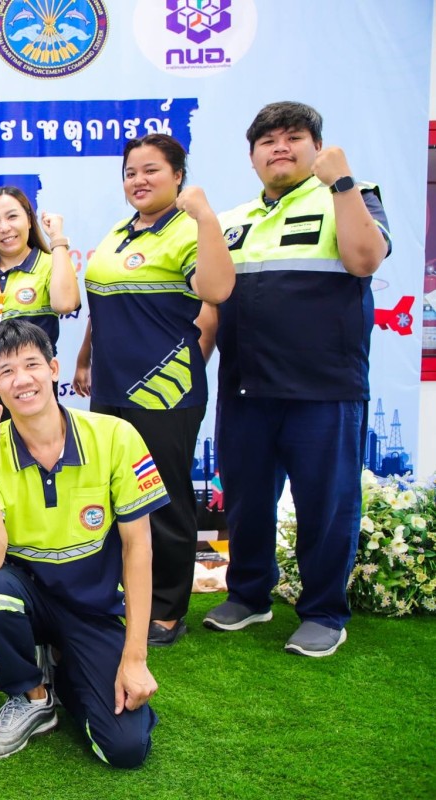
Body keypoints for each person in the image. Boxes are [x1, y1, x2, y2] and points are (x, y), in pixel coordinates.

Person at [203, 102, 391, 657]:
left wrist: (343, 183)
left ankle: (324, 612)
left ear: (317, 147)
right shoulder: (233, 219)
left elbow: (365, 261)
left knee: (325, 507)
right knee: (246, 502)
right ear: (252, 157)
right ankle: (249, 595)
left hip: (323, 389)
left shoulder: (349, 194)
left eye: (293, 137)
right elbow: (212, 296)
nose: (279, 147)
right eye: (267, 141)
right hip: (245, 387)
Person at [0, 319, 165, 767]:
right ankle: (32, 694)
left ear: (54, 369)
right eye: (7, 372)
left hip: (93, 610)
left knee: (125, 749)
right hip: (29, 599)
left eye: (32, 365)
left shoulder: (114, 436)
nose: (22, 380)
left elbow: (139, 549)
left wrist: (135, 657)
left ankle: (62, 666)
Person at [72, 134, 234, 647]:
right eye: (131, 172)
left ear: (178, 176)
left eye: (151, 170)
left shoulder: (189, 230)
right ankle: (125, 594)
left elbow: (217, 291)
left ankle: (166, 608)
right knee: (113, 496)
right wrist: (83, 358)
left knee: (163, 500)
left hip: (164, 392)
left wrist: (206, 217)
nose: (138, 180)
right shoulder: (119, 232)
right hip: (111, 388)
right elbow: (103, 306)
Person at [0, 187, 78, 447]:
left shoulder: (51, 263)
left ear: (29, 221)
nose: (4, 228)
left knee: (36, 458)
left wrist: (57, 239)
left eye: (12, 217)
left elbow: (66, 303)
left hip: (32, 386)